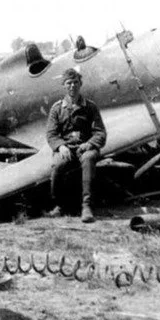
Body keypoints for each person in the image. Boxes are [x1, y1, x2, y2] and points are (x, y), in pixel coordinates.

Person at [46, 68, 106, 223]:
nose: (72, 86)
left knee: (88, 159)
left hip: (85, 147)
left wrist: (89, 144)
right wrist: (60, 146)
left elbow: (100, 133)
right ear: (64, 85)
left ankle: (86, 206)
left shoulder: (90, 107)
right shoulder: (57, 108)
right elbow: (51, 134)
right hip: (66, 148)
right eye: (68, 83)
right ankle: (59, 205)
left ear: (80, 84)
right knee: (57, 165)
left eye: (75, 82)